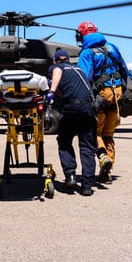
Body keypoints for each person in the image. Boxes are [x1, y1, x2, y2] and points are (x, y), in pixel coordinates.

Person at [76, 21, 129, 183]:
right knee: (109, 135)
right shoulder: (113, 47)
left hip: (100, 96)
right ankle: (108, 171)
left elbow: (84, 78)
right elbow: (124, 70)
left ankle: (102, 156)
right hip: (117, 96)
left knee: (95, 133)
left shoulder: (86, 53)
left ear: (82, 34)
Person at [48, 48, 97, 196]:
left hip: (71, 108)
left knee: (64, 140)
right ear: (69, 59)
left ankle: (70, 175)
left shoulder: (56, 67)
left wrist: (51, 91)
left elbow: (57, 72)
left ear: (55, 60)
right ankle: (87, 186)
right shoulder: (79, 69)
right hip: (88, 108)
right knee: (87, 147)